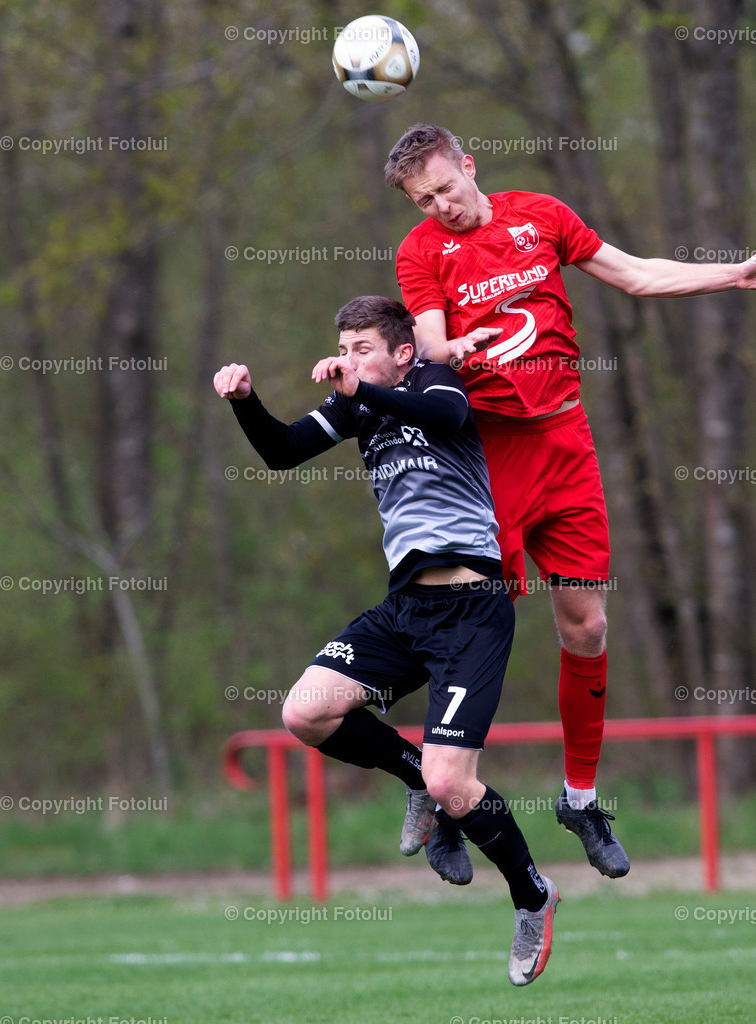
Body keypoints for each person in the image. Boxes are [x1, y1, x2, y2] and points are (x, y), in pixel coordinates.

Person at [384, 123, 756, 880]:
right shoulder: (422, 251)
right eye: (425, 199)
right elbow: (430, 341)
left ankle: (580, 799)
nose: (441, 206)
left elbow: (636, 274)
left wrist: (733, 274)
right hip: (490, 457)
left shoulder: (541, 215)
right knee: (472, 627)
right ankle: (444, 795)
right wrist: (447, 352)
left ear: (469, 166)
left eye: (446, 187)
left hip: (566, 446)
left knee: (587, 625)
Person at [214, 295, 559, 986]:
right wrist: (246, 402)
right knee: (305, 713)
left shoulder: (436, 380)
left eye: (362, 347)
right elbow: (282, 451)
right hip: (406, 609)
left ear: (402, 352)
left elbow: (448, 419)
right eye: (342, 347)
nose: (347, 359)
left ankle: (532, 896)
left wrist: (362, 389)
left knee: (453, 780)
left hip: (473, 609)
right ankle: (415, 782)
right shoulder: (356, 405)